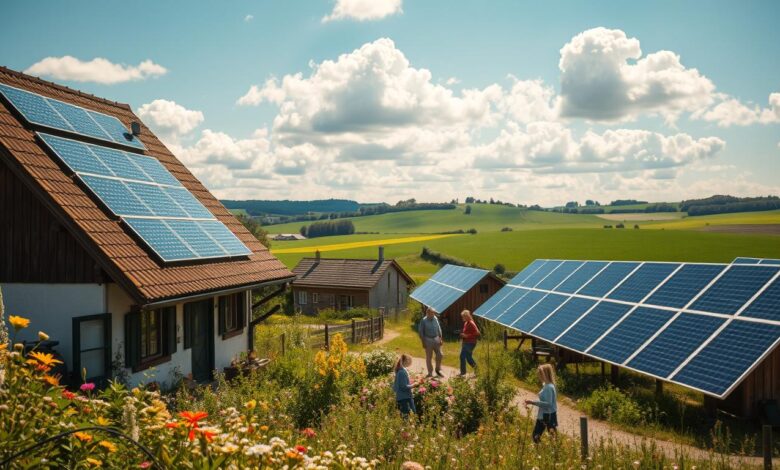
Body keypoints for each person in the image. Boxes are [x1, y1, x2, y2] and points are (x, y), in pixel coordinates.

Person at [524, 364, 558, 443]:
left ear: (544, 374)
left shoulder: (549, 387)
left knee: (540, 437)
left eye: (540, 374)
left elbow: (548, 404)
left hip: (548, 415)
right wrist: (531, 402)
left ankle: (544, 449)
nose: (538, 376)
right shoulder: (546, 385)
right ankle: (542, 449)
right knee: (539, 436)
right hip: (545, 414)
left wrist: (532, 402)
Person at [417, 308, 444, 377]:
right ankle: (430, 372)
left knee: (440, 355)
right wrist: (423, 342)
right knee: (429, 357)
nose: (433, 315)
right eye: (431, 313)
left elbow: (439, 328)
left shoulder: (435, 318)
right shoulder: (423, 321)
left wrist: (440, 338)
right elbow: (421, 332)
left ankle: (438, 370)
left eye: (433, 313)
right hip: (428, 339)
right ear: (427, 313)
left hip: (436, 338)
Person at [393, 354, 415, 418]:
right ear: (406, 361)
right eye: (410, 360)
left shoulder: (402, 370)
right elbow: (403, 387)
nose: (411, 362)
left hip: (404, 397)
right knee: (408, 417)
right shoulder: (402, 372)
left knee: (410, 416)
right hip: (404, 398)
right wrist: (414, 385)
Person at [458, 310, 480, 376]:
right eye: (462, 316)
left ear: (467, 316)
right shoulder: (466, 323)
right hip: (466, 342)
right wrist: (463, 335)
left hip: (470, 343)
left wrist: (467, 336)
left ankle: (463, 373)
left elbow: (477, 333)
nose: (462, 318)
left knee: (462, 356)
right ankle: (476, 371)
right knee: (468, 357)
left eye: (463, 316)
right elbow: (467, 332)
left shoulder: (471, 323)